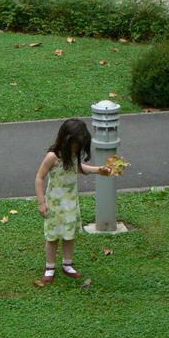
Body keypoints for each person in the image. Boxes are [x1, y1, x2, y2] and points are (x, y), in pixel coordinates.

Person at [34, 119, 110, 284]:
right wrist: (41, 202)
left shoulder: (73, 155)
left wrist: (99, 170)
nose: (77, 149)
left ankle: (67, 264)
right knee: (52, 237)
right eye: (75, 145)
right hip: (54, 205)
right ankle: (50, 267)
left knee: (69, 235)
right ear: (65, 140)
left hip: (70, 204)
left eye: (80, 146)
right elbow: (39, 178)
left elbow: (80, 168)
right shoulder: (52, 157)